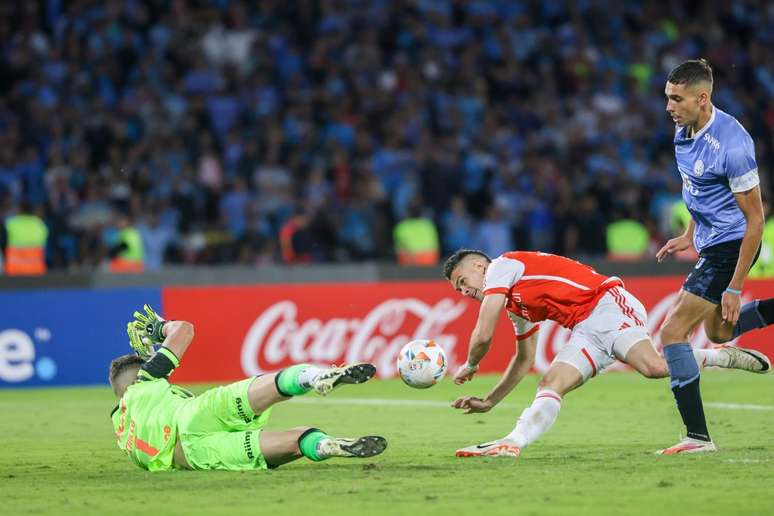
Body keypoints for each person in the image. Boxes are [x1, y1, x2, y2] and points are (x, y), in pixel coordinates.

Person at [442, 249, 769, 459]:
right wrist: (490, 400)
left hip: (607, 304)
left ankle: (718, 356)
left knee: (653, 367)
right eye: (458, 290)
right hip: (583, 330)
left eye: (462, 281)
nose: (464, 291)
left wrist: (471, 363)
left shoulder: (503, 265)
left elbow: (483, 334)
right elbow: (524, 358)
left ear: (479, 265)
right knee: (550, 383)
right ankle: (511, 443)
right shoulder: (515, 303)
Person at [656, 59, 774, 454]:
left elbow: (756, 221)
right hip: (709, 240)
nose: (669, 106)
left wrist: (736, 286)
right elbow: (696, 188)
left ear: (702, 98)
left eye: (677, 98)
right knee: (718, 332)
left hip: (734, 242)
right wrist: (689, 233)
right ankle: (724, 353)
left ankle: (697, 437)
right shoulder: (682, 129)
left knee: (673, 332)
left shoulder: (734, 145)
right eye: (668, 98)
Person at [110, 305, 387, 471]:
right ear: (137, 378)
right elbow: (184, 330)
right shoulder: (146, 381)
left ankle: (325, 445)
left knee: (294, 442)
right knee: (274, 385)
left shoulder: (124, 435)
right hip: (194, 414)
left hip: (195, 456)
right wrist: (159, 329)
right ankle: (314, 377)